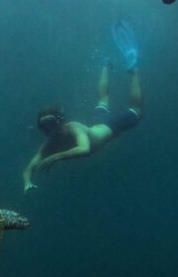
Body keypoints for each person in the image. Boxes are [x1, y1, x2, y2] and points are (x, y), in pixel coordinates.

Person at [22, 61, 142, 193]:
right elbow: (29, 167)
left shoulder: (73, 127)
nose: (49, 129)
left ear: (60, 121)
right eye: (44, 127)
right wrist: (27, 183)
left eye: (51, 124)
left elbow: (84, 149)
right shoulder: (49, 143)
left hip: (111, 124)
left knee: (135, 109)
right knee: (102, 100)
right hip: (97, 121)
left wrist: (55, 157)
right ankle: (105, 65)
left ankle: (133, 71)